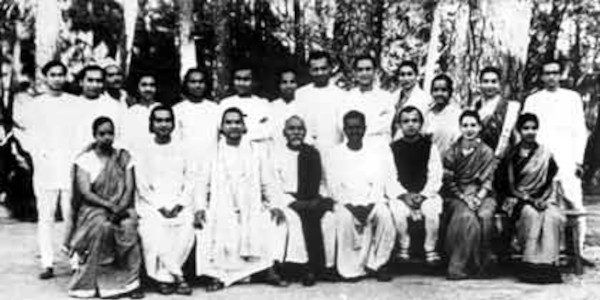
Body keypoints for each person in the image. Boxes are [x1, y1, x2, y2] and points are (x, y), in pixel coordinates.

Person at [195, 107, 303, 291]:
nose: (233, 126)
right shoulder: (212, 153)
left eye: (237, 122)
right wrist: (199, 207)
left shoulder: (256, 151)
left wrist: (275, 205)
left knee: (275, 221)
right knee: (207, 226)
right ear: (221, 127)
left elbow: (268, 183)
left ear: (244, 127)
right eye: (228, 123)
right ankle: (218, 274)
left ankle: (268, 270)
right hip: (222, 208)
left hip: (251, 207)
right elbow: (201, 184)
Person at [14, 61, 80, 279]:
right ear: (45, 78)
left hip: (69, 164)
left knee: (72, 214)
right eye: (53, 75)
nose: (58, 79)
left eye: (61, 74)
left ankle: (75, 261)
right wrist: (36, 154)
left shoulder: (73, 103)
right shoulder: (35, 105)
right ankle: (47, 262)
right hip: (46, 167)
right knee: (46, 215)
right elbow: (25, 133)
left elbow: (79, 134)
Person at [67, 117, 143, 299]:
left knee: (129, 226)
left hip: (121, 207)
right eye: (102, 134)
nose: (107, 137)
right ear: (94, 135)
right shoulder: (85, 160)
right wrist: (109, 206)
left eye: (110, 133)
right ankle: (102, 284)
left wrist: (121, 207)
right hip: (94, 208)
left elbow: (129, 187)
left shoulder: (123, 157)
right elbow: (86, 192)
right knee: (103, 227)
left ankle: (130, 283)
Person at [322, 110, 397, 281]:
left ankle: (378, 264)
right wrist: (351, 205)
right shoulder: (335, 154)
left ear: (364, 129)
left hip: (370, 200)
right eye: (350, 128)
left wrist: (370, 204)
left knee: (384, 215)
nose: (354, 131)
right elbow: (333, 185)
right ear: (345, 130)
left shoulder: (374, 153)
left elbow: (379, 182)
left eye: (358, 127)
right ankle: (350, 269)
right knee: (345, 218)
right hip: (345, 202)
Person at [523, 59, 588, 252]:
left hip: (567, 158)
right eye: (547, 73)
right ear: (542, 76)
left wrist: (578, 160)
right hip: (541, 160)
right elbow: (525, 131)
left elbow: (580, 130)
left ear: (561, 75)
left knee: (574, 202)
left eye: (555, 73)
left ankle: (577, 250)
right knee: (544, 202)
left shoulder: (572, 98)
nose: (551, 77)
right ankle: (549, 250)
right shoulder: (533, 100)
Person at [135, 105, 195, 295]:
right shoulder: (143, 149)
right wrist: (160, 206)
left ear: (173, 123)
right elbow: (142, 185)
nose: (163, 124)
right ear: (151, 125)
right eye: (158, 120)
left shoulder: (183, 147)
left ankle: (165, 277)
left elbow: (191, 178)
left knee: (186, 225)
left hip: (180, 202)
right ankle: (177, 277)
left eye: (167, 120)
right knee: (153, 228)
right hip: (151, 203)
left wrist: (180, 204)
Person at [497, 113, 564, 283]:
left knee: (552, 216)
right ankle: (531, 267)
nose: (530, 132)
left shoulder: (545, 154)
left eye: (534, 128)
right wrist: (526, 199)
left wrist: (542, 199)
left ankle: (548, 267)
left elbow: (550, 181)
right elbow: (503, 185)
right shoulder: (511, 155)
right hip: (516, 200)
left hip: (543, 198)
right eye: (526, 128)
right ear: (519, 130)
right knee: (532, 215)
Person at [271, 115, 335, 286]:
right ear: (284, 132)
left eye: (299, 129)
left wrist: (320, 198)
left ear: (305, 132)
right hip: (289, 200)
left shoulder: (312, 152)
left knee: (326, 217)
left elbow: (321, 181)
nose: (296, 133)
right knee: (297, 218)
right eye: (292, 129)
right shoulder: (277, 154)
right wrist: (290, 202)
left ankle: (324, 267)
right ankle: (305, 267)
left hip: (311, 197)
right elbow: (274, 184)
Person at [442, 110, 497, 280]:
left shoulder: (486, 151)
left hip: (483, 194)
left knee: (485, 214)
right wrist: (465, 197)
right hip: (458, 196)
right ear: (460, 128)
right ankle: (460, 266)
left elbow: (488, 180)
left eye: (473, 125)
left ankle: (483, 264)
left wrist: (478, 197)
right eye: (465, 125)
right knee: (466, 217)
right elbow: (449, 182)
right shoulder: (452, 152)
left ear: (479, 127)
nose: (469, 129)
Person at [388, 106, 443, 265]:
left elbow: (435, 174)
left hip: (425, 194)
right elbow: (390, 176)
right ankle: (404, 247)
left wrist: (424, 195)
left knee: (431, 211)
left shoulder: (429, 147)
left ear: (421, 124)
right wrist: (405, 195)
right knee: (398, 211)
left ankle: (430, 248)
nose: (410, 124)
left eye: (415, 121)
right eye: (406, 121)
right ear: (399, 125)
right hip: (403, 195)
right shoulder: (393, 148)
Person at [295, 51, 347, 152]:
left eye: (323, 68)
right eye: (315, 69)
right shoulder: (301, 94)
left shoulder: (341, 95)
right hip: (307, 151)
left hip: (333, 149)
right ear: (309, 70)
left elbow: (343, 127)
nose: (320, 73)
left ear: (330, 69)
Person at [344, 55, 395, 148]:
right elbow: (343, 126)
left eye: (368, 69)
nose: (364, 73)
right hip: (355, 149)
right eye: (360, 70)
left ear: (375, 71)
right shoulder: (347, 98)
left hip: (379, 149)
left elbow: (384, 127)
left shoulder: (386, 98)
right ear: (355, 73)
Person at [472, 67, 520, 158]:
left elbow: (515, 137)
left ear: (499, 84)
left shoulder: (510, 108)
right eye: (485, 81)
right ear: (480, 84)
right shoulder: (474, 109)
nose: (490, 85)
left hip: (502, 161)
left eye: (493, 82)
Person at [74, 65, 126, 151]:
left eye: (99, 81)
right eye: (90, 80)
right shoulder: (72, 105)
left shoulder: (113, 106)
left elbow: (119, 137)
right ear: (81, 82)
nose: (94, 85)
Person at [172, 68, 219, 159]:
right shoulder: (177, 110)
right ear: (186, 84)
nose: (197, 85)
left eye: (201, 82)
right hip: (185, 160)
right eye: (193, 82)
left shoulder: (215, 109)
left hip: (211, 160)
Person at [219, 64, 272, 143]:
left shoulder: (262, 104)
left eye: (246, 79)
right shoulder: (225, 103)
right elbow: (221, 130)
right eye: (238, 79)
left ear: (254, 81)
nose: (241, 83)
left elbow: (268, 130)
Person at [391, 60, 431, 141]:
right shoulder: (393, 97)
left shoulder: (424, 99)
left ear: (416, 76)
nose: (406, 78)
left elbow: (425, 127)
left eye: (409, 74)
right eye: (402, 75)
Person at [122, 74, 159, 154]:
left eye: (152, 85)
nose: (148, 89)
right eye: (144, 85)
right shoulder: (130, 112)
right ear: (138, 88)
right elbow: (125, 140)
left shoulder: (162, 109)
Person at [424, 74, 462, 154]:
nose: (439, 93)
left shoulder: (457, 115)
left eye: (443, 90)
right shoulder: (426, 114)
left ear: (450, 92)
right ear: (431, 92)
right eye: (436, 90)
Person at [270, 68, 301, 146]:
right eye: (284, 82)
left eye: (292, 82)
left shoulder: (303, 105)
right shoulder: (272, 106)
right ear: (279, 85)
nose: (288, 85)